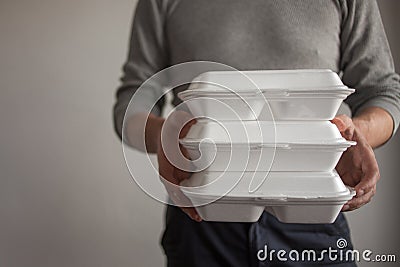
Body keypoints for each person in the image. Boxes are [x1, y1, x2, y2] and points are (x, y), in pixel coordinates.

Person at [113, 0, 400, 266]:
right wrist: (169, 136)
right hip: (202, 215)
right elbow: (131, 104)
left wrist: (353, 135)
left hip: (314, 213)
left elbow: (383, 92)